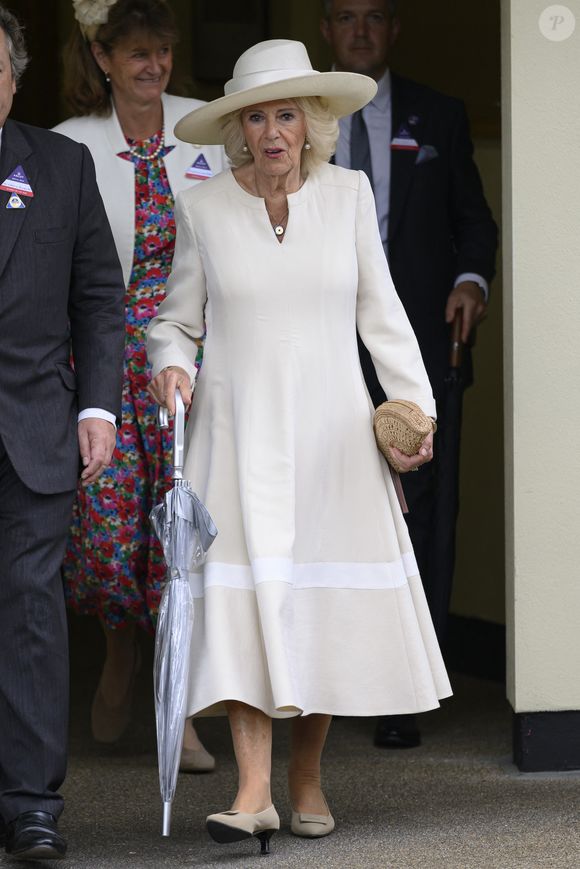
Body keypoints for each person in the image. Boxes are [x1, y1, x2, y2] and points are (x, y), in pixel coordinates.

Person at [147, 38, 451, 854]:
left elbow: (382, 316)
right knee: (249, 608)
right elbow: (175, 319)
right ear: (238, 129)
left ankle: (306, 776)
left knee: (315, 605)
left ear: (310, 122)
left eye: (287, 114)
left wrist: (412, 407)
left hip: (330, 433)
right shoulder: (204, 207)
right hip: (235, 430)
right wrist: (172, 365)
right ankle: (253, 792)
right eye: (257, 117)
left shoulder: (348, 197)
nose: (273, 131)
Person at [321, 0, 498, 749]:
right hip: (322, 341)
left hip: (419, 339)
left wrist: (470, 281)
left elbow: (474, 221)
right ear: (325, 31)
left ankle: (403, 686)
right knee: (329, 499)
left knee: (418, 504)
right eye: (344, 16)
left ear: (393, 29)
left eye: (374, 17)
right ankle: (325, 675)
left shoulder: (439, 114)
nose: (359, 30)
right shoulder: (299, 118)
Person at [54, 0, 226, 771]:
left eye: (161, 52)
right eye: (135, 55)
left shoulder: (205, 130)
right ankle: (119, 650)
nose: (151, 67)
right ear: (102, 59)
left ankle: (179, 705)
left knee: (183, 518)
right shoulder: (71, 144)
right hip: (101, 357)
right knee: (108, 526)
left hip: (189, 353)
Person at [0, 5, 125, 861]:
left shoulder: (64, 164)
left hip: (32, 430)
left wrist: (97, 407)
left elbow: (99, 297)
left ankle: (32, 802)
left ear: (12, 78)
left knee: (31, 617)